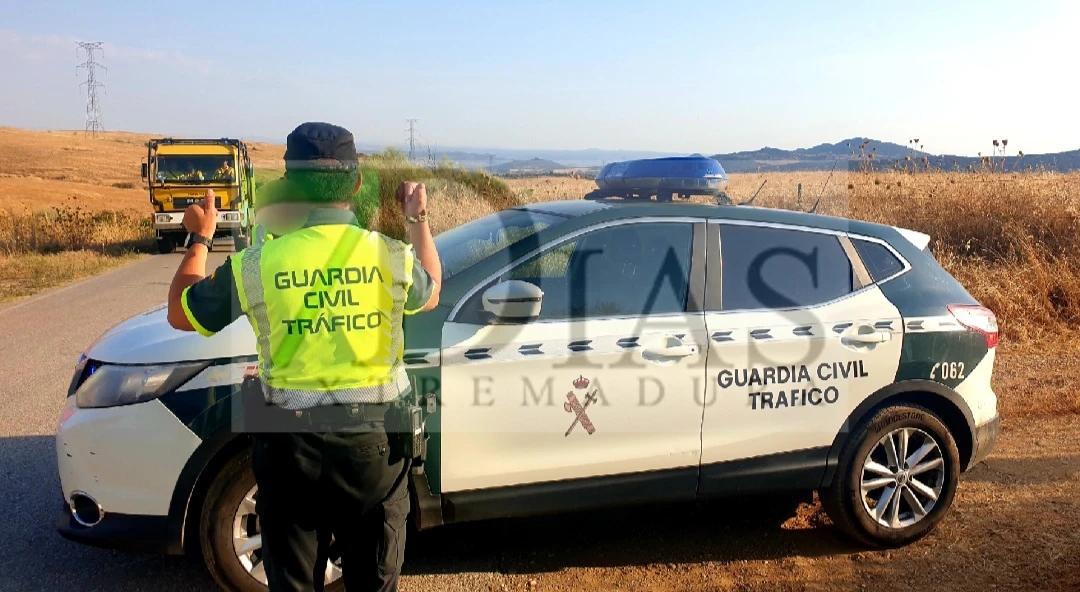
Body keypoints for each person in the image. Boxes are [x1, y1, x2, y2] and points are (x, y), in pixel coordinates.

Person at [165, 121, 442, 592]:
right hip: (373, 448)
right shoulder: (389, 255)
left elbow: (180, 311)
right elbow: (431, 291)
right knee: (373, 579)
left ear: (291, 183)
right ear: (356, 184)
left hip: (288, 449)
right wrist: (417, 218)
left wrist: (200, 237)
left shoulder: (258, 263)